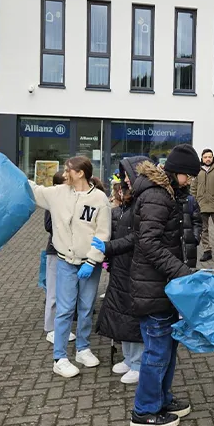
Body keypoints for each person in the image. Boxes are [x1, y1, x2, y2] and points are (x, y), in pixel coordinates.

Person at [128, 144, 200, 426]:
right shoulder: (157, 195)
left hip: (164, 286)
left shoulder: (168, 193)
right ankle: (144, 411)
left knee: (168, 347)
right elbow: (149, 243)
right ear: (177, 172)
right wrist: (182, 272)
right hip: (154, 287)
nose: (191, 181)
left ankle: (161, 399)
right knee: (157, 352)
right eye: (189, 176)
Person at [29, 156, 111, 378]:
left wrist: (93, 260)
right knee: (65, 310)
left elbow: (103, 234)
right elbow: (34, 191)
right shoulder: (58, 194)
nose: (65, 174)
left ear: (80, 173)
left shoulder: (100, 199)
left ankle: (83, 349)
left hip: (89, 265)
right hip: (65, 261)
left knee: (86, 308)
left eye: (68, 170)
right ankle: (60, 357)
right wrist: (11, 174)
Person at [93, 156, 149, 385]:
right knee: (121, 314)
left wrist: (110, 247)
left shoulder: (143, 201)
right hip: (122, 265)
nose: (124, 178)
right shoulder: (129, 200)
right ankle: (128, 357)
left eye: (127, 174)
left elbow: (137, 237)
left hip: (135, 266)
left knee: (132, 317)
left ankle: (138, 363)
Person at [43, 171, 76, 345]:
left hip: (70, 252)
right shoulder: (53, 200)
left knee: (66, 292)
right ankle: (51, 328)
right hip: (55, 250)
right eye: (65, 180)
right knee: (54, 292)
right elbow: (48, 225)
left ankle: (62, 327)